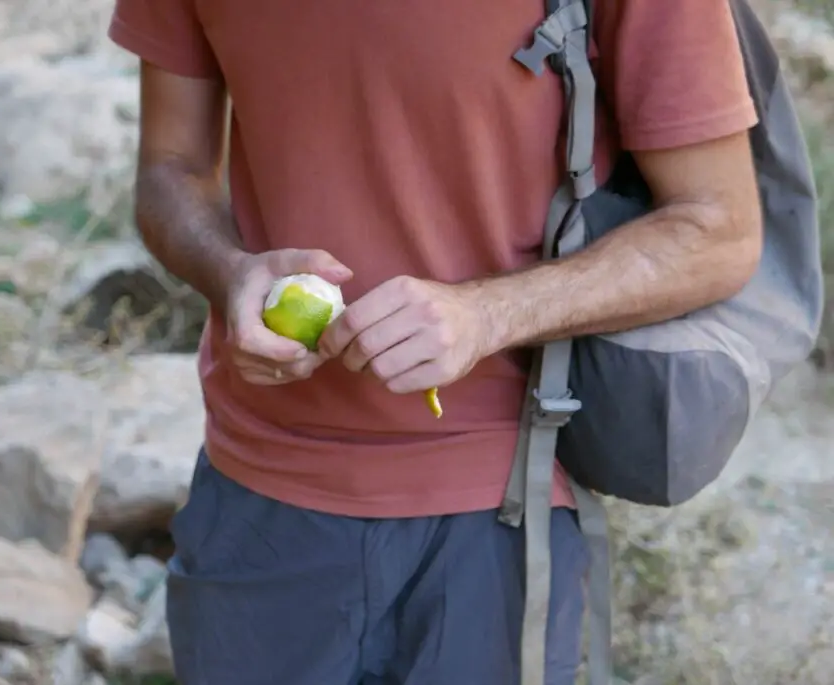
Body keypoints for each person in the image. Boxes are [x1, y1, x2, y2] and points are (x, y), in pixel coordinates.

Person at [107, 2, 763, 683]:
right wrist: (230, 271)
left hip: (502, 504)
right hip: (257, 504)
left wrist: (487, 314)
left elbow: (718, 227)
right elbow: (170, 168)